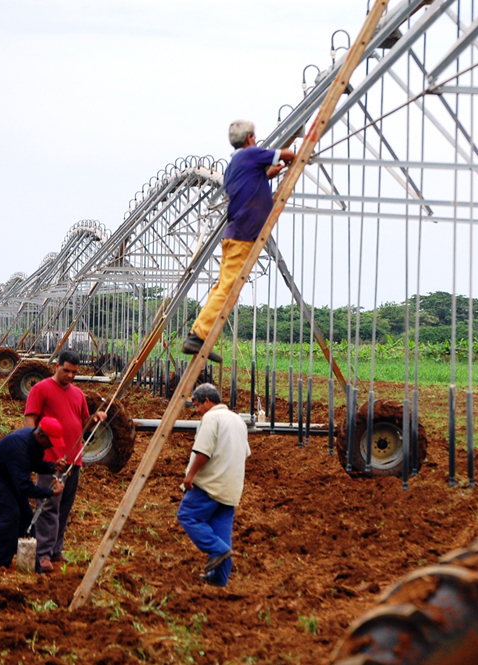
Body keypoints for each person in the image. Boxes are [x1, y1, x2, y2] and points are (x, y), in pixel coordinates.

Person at [183, 119, 295, 356]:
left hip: (235, 233)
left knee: (221, 287)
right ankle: (198, 336)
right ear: (250, 138)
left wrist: (273, 171)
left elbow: (259, 178)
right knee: (228, 290)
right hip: (244, 233)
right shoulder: (251, 153)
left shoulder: (236, 163)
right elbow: (288, 153)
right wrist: (293, 158)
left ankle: (198, 334)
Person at [24, 349, 107, 573]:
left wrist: (95, 417)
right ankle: (42, 554)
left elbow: (83, 423)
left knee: (64, 507)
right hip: (50, 459)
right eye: (66, 371)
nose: (70, 376)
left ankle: (55, 550)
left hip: (74, 459)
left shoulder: (78, 394)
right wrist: (32, 450)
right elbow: (30, 419)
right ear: (57, 367)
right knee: (48, 506)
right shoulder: (40, 389)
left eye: (74, 372)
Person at [177, 383, 251, 586]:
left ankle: (217, 551)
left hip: (210, 484)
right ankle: (219, 579)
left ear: (207, 401)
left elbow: (203, 451)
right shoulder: (238, 420)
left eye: (197, 405)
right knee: (222, 533)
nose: (197, 410)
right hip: (231, 486)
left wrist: (190, 475)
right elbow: (245, 453)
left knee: (187, 515)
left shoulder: (211, 418)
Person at [0, 419, 68, 570]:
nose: (52, 446)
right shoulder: (20, 446)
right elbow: (25, 487)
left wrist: (52, 466)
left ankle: (31, 565)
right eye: (51, 443)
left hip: (9, 475)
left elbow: (32, 464)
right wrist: (51, 492)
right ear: (41, 437)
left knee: (26, 517)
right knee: (9, 516)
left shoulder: (34, 442)